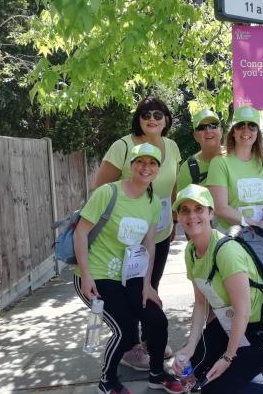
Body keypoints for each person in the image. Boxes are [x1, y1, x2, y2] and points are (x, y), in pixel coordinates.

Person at [172, 184, 263, 394]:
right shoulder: (190, 250)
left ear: (211, 213)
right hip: (230, 322)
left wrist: (228, 357)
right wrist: (191, 345)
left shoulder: (226, 252)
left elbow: (244, 311)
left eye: (199, 209)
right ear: (178, 215)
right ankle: (245, 375)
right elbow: (200, 302)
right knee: (190, 373)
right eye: (184, 210)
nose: (192, 216)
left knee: (212, 390)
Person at [74, 143, 183, 394]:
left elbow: (149, 245)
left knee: (156, 319)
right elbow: (81, 233)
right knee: (124, 331)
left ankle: (156, 373)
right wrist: (87, 276)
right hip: (96, 275)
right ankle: (107, 380)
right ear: (130, 166)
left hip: (129, 276)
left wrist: (147, 285)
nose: (146, 167)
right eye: (140, 162)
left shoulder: (153, 202)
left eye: (152, 163)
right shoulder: (107, 193)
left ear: (157, 170)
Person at [94, 96, 181, 368]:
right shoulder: (122, 146)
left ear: (167, 119)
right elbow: (100, 188)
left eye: (158, 113)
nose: (152, 118)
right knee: (128, 288)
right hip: (125, 235)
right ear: (138, 118)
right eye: (145, 114)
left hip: (160, 230)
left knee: (149, 286)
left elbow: (173, 183)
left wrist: (175, 216)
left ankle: (147, 340)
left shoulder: (172, 146)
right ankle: (130, 347)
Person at [206, 106, 263, 234]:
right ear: (233, 131)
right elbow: (220, 208)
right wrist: (256, 226)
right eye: (240, 125)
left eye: (252, 126)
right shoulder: (220, 162)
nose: (246, 130)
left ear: (257, 132)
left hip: (261, 235)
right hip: (231, 236)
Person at [177, 109, 223, 191]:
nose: (208, 131)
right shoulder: (188, 168)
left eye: (213, 125)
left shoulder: (235, 157)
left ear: (221, 131)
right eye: (201, 128)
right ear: (195, 136)